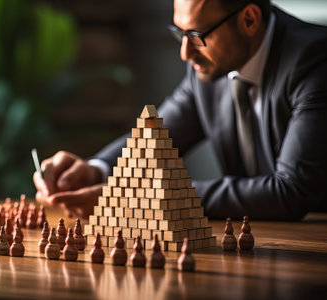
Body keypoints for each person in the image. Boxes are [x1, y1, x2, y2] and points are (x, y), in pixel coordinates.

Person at [33, 0, 327, 221]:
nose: (185, 53)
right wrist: (96, 171)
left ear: (249, 20)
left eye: (197, 35)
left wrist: (144, 197)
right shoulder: (209, 65)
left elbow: (291, 190)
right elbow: (154, 140)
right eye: (179, 33)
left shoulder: (316, 60)